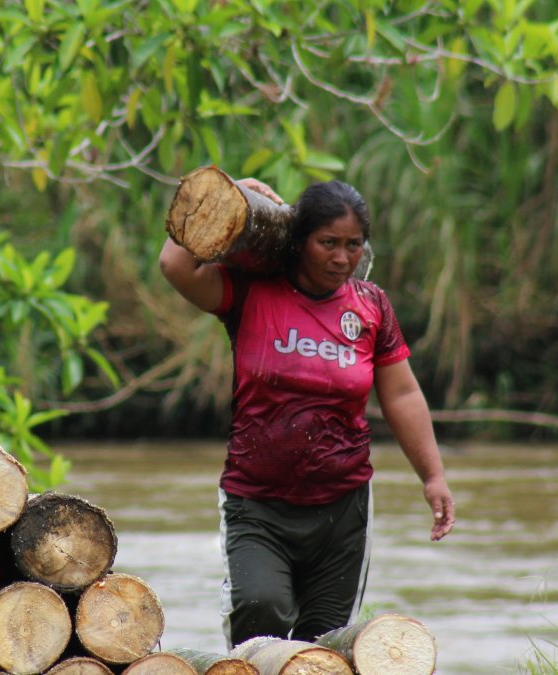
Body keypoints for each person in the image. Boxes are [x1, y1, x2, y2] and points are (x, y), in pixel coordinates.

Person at [158, 176, 456, 650]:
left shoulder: (371, 307)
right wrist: (227, 194)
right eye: (328, 243)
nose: (342, 258)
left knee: (326, 644)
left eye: (353, 245)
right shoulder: (252, 292)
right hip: (256, 504)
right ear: (299, 242)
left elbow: (401, 394)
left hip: (342, 509)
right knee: (260, 609)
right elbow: (174, 263)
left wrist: (433, 476)